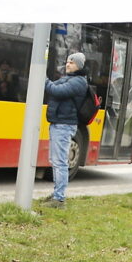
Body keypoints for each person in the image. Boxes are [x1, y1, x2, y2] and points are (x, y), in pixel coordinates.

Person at [41, 52, 90, 208]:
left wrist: (42, 78)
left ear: (79, 66)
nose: (68, 64)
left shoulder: (79, 82)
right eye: (68, 61)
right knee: (55, 161)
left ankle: (59, 199)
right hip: (58, 123)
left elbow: (57, 91)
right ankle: (57, 194)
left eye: (72, 62)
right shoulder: (69, 79)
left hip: (64, 125)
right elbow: (55, 87)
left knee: (60, 162)